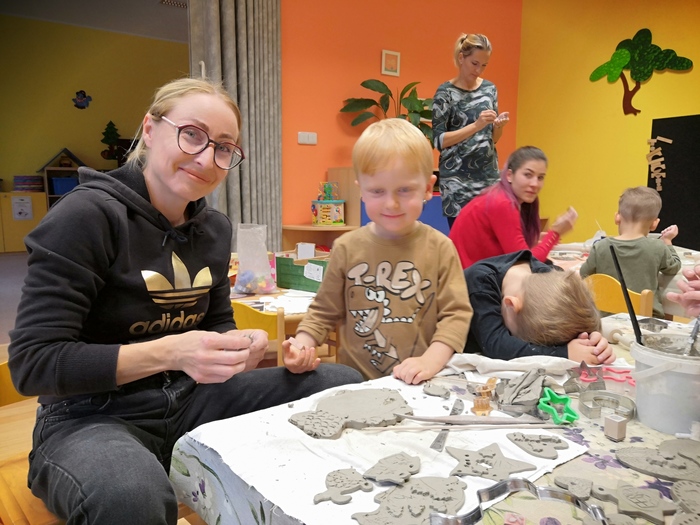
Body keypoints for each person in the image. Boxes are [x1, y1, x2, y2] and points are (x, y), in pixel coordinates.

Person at [8, 77, 362, 525]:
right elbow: (34, 364)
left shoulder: (214, 229)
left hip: (191, 399)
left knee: (341, 385)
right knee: (131, 497)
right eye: (192, 134)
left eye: (223, 147)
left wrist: (241, 345)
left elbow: (216, 324)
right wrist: (173, 352)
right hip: (89, 415)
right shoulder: (86, 216)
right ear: (150, 129)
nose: (206, 158)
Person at [283, 119, 473, 384]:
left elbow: (456, 315)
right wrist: (301, 346)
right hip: (356, 384)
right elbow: (323, 312)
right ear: (361, 190)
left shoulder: (441, 248)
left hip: (420, 383)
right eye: (377, 191)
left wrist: (430, 361)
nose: (391, 203)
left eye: (404, 190)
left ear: (428, 188)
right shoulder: (346, 248)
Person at [464, 250, 616, 364]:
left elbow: (576, 314)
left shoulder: (550, 276)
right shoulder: (479, 283)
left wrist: (593, 342)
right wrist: (563, 354)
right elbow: (496, 344)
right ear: (511, 305)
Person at [449, 146, 578, 269]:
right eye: (528, 175)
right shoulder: (502, 203)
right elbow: (526, 263)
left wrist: (537, 240)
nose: (535, 184)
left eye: (540, 177)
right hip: (467, 280)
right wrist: (555, 233)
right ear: (509, 175)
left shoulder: (506, 197)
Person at [432, 33, 510, 228]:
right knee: (463, 240)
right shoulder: (445, 92)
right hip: (457, 183)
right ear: (461, 58)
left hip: (487, 177)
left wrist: (498, 127)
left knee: (490, 238)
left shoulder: (490, 89)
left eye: (484, 65)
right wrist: (476, 125)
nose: (478, 70)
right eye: (475, 63)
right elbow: (439, 141)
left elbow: (493, 139)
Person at [579, 186, 681, 318]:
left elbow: (584, 274)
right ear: (654, 224)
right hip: (646, 319)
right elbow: (674, 267)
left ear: (617, 218)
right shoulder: (658, 247)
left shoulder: (600, 247)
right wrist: (667, 241)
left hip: (608, 318)